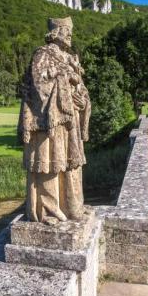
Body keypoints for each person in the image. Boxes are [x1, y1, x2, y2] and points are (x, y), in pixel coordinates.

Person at [18, 17, 91, 223]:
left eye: (70, 30)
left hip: (69, 121)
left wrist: (81, 98)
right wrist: (65, 80)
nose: (69, 34)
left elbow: (80, 87)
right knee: (50, 163)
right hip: (49, 122)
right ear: (56, 31)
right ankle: (48, 211)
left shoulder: (68, 57)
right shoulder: (42, 54)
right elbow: (39, 85)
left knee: (70, 165)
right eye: (66, 30)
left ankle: (73, 206)